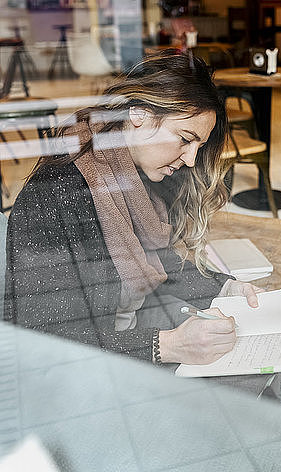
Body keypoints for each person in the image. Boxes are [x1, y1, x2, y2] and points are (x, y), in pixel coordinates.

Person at [4, 52, 264, 366]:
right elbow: (48, 340)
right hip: (79, 376)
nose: (192, 159)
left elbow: (158, 259)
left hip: (120, 349)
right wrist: (167, 346)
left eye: (199, 146)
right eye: (185, 139)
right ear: (138, 113)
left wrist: (223, 287)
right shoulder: (59, 194)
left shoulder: (131, 174)